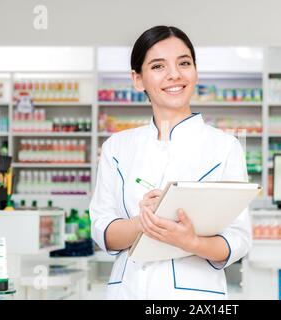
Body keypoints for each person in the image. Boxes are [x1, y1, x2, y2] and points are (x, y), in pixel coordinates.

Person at [89, 25, 252, 300]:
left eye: (184, 63)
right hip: (128, 290)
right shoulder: (117, 148)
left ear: (196, 72)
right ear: (137, 79)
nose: (174, 74)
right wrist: (146, 222)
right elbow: (103, 230)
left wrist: (191, 241)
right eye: (158, 66)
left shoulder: (225, 147)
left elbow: (239, 239)